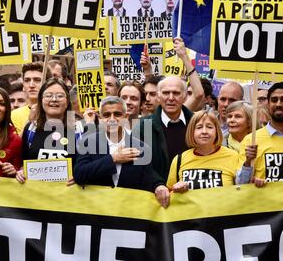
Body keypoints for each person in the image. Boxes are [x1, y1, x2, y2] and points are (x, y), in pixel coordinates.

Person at [133, 38, 204, 207]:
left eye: (176, 93)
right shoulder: (144, 126)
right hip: (154, 201)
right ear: (158, 96)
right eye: (165, 93)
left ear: (184, 96)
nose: (170, 98)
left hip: (192, 200)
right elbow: (138, 162)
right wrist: (157, 184)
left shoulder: (196, 123)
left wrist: (184, 58)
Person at [74, 96, 154, 191]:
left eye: (117, 114)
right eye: (107, 115)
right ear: (100, 118)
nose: (112, 119)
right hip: (97, 204)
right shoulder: (88, 142)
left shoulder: (142, 148)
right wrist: (113, 159)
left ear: (126, 117)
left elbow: (147, 185)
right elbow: (79, 175)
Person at [16, 78, 78, 185]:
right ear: (41, 100)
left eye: (60, 96)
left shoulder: (80, 130)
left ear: (67, 101)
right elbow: (20, 161)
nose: (54, 100)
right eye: (48, 95)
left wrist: (80, 175)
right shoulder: (30, 129)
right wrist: (20, 171)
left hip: (68, 197)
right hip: (36, 196)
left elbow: (88, 165)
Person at [166, 110, 238, 199]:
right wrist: (176, 190)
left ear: (217, 131)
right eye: (199, 127)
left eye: (209, 127)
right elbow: (168, 193)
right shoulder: (179, 160)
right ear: (192, 132)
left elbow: (241, 190)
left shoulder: (233, 156)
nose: (204, 131)